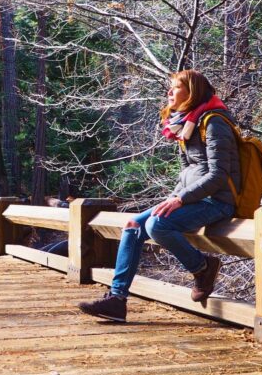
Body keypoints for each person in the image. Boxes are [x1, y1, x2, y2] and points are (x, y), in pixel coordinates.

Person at [78, 70, 240, 322]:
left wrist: (181, 199)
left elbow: (219, 175)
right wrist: (174, 196)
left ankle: (203, 268)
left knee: (157, 224)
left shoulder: (214, 122)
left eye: (175, 88)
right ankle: (116, 300)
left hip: (217, 201)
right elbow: (188, 171)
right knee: (132, 225)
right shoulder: (187, 123)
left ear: (192, 92)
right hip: (193, 198)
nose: (169, 93)